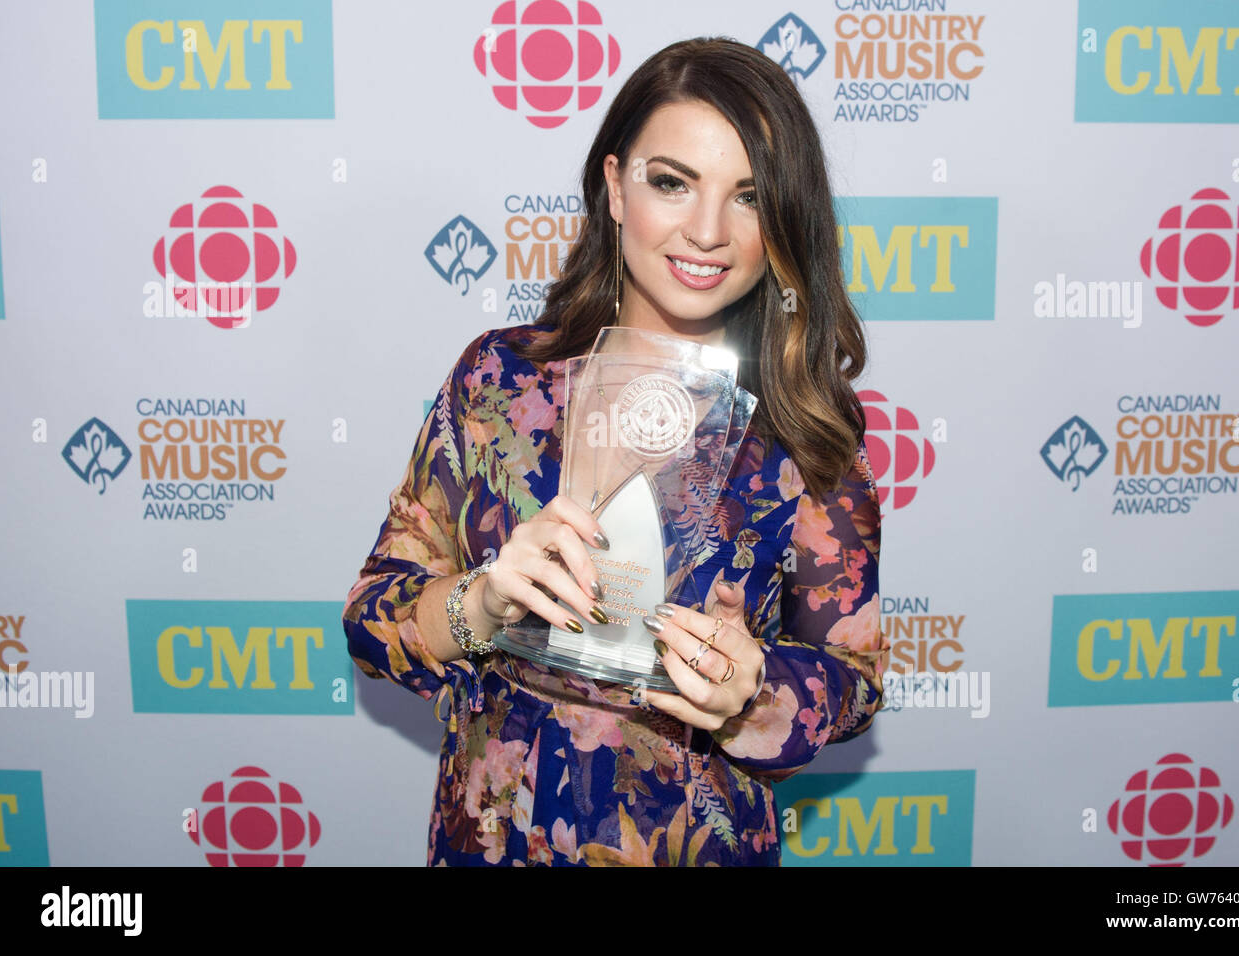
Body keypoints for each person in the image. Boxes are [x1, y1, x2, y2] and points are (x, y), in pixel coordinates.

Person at [342, 36, 889, 866]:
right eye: (671, 182)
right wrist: (483, 604)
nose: (706, 231)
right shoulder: (500, 382)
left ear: (783, 221)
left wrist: (755, 691)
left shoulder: (803, 429)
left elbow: (853, 680)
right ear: (613, 188)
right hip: (492, 843)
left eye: (748, 196)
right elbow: (372, 619)